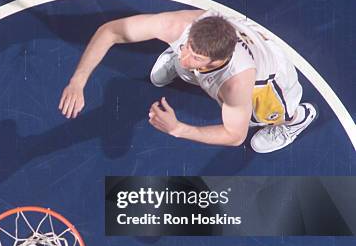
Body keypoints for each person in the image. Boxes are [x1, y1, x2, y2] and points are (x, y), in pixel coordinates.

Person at [58, 9, 317, 153]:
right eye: (187, 47)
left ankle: (296, 120)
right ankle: (192, 74)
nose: (185, 55)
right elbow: (110, 31)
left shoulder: (237, 84)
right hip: (226, 51)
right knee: (185, 66)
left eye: (195, 55)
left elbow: (234, 135)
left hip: (271, 80)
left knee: (261, 118)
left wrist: (178, 129)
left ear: (216, 61)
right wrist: (78, 81)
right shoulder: (183, 28)